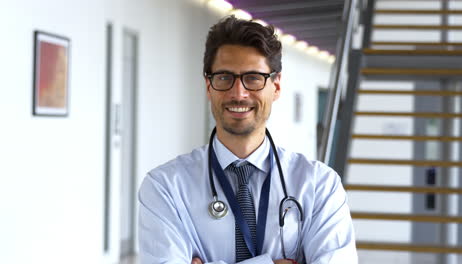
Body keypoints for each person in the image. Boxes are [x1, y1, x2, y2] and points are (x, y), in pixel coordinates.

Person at [138, 16, 357, 264]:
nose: (238, 93)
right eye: (224, 77)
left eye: (253, 78)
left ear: (276, 86)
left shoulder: (320, 186)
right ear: (208, 86)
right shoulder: (165, 187)